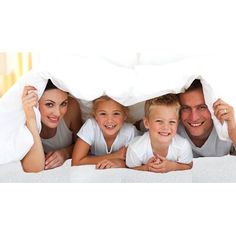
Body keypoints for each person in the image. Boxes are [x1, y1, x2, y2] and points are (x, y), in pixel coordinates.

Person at [21, 79, 82, 172]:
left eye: (63, 104)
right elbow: (34, 169)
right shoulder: (25, 116)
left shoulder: (72, 107)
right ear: (35, 103)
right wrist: (31, 118)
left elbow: (84, 145)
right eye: (49, 104)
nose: (58, 113)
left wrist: (65, 153)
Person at [126, 94, 193, 173]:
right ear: (147, 123)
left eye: (172, 122)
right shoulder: (135, 148)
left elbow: (189, 165)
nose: (166, 127)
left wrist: (173, 166)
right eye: (159, 121)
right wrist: (146, 168)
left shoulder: (183, 145)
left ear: (177, 124)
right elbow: (128, 171)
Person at [72, 95, 139, 169]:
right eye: (103, 114)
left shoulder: (130, 132)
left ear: (125, 115)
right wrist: (115, 156)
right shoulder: (91, 126)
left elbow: (136, 164)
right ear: (95, 116)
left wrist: (121, 163)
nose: (109, 120)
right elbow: (76, 162)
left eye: (116, 113)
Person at [178, 79, 236, 158]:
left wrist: (233, 130)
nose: (194, 117)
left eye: (202, 107)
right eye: (186, 108)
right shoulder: (171, 128)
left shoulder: (226, 127)